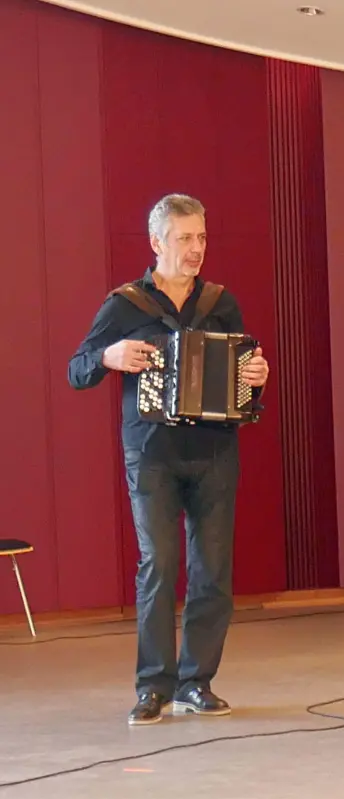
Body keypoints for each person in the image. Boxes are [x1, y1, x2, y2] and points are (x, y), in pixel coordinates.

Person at [67, 193, 270, 725]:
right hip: (152, 453)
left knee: (212, 571)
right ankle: (152, 685)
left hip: (215, 451)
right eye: (185, 239)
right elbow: (77, 368)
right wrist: (109, 357)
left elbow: (242, 375)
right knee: (158, 564)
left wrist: (255, 379)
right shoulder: (125, 304)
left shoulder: (221, 303)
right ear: (157, 243)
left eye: (202, 237)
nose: (197, 248)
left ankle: (196, 682)